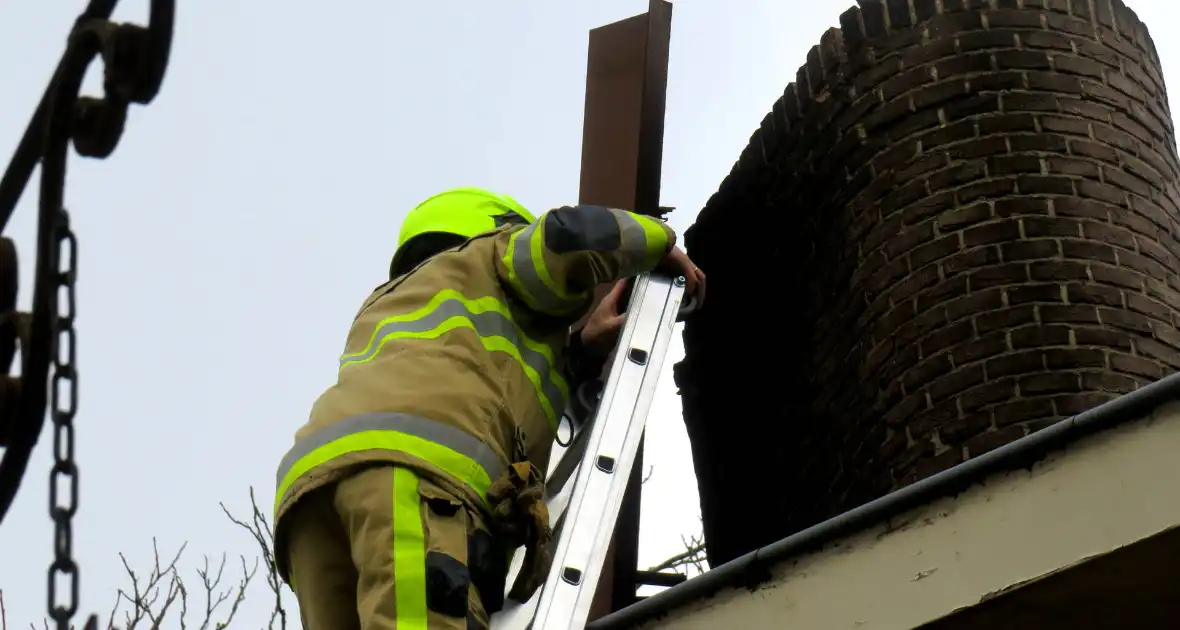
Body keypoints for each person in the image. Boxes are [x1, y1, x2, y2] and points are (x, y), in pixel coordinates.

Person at [271, 187, 706, 630]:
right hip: (414, 475)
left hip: (308, 496)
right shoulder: (491, 255)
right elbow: (565, 237)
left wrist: (579, 353)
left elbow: (498, 379)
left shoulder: (390, 305)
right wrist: (659, 242)